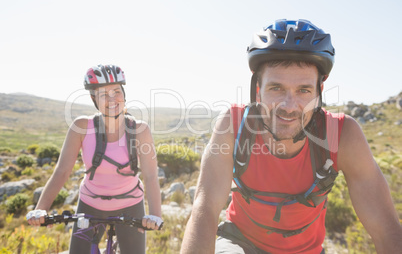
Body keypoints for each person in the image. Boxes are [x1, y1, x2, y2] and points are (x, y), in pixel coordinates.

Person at [181, 19, 402, 253]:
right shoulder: (234, 125)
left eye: (303, 90)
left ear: (319, 92)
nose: (289, 106)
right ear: (258, 89)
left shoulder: (342, 134)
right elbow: (204, 210)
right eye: (276, 88)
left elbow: (386, 229)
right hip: (240, 242)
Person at [26, 64, 162, 254]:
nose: (112, 99)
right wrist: (41, 209)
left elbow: (150, 175)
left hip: (130, 207)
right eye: (104, 94)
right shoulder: (81, 127)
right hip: (90, 205)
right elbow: (62, 171)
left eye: (116, 91)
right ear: (93, 99)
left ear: (124, 93)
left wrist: (155, 216)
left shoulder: (140, 130)